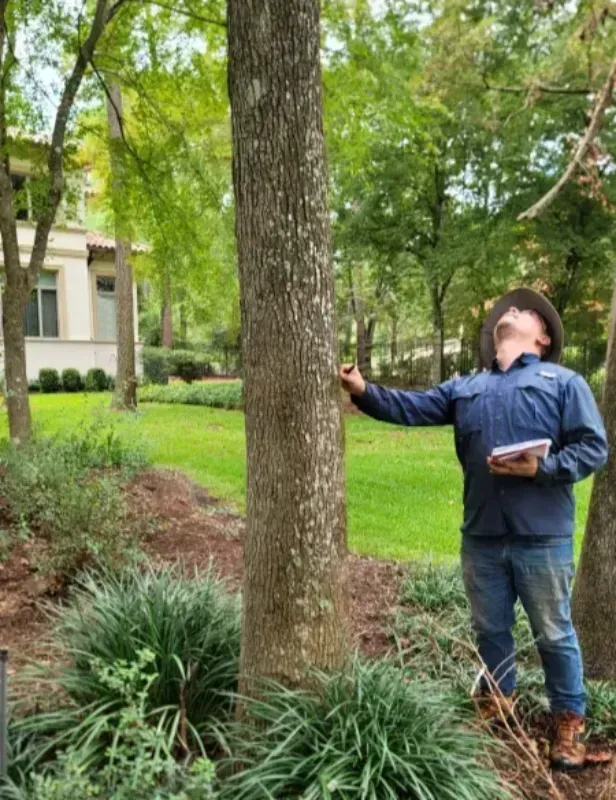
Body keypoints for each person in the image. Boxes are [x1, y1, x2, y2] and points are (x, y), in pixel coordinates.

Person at [340, 288, 608, 771]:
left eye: (527, 311)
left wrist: (540, 469)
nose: (513, 309)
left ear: (543, 338)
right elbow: (410, 407)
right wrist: (362, 389)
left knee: (553, 632)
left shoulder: (565, 383)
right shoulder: (466, 387)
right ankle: (497, 704)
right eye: (509, 309)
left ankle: (569, 724)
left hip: (541, 536)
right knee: (490, 628)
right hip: (481, 535)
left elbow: (593, 448)